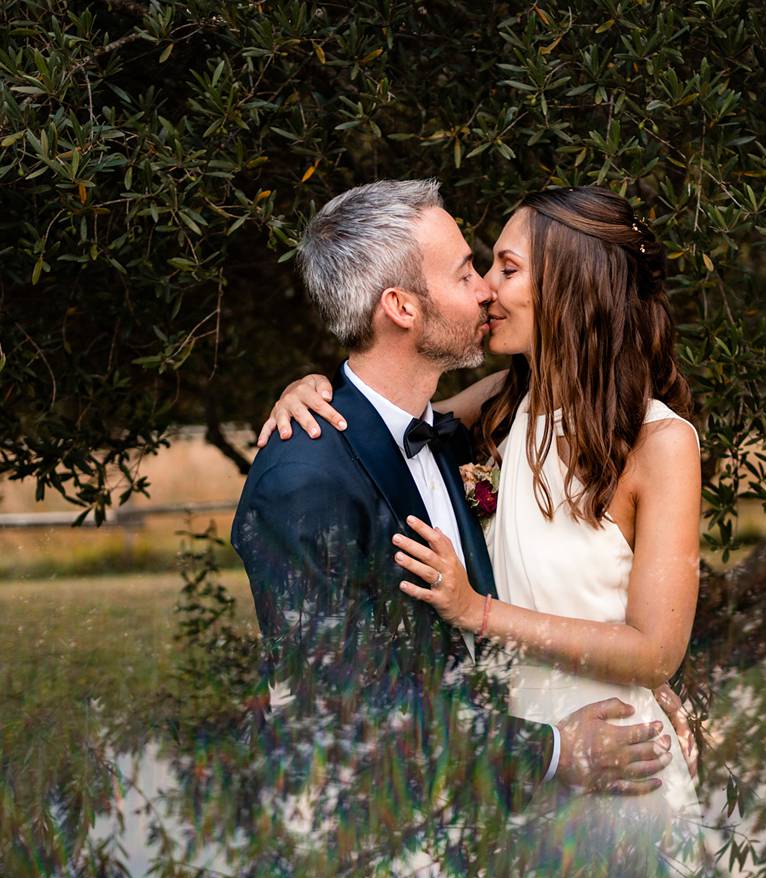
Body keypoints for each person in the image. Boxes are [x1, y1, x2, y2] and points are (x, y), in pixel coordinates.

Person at [257, 184, 704, 836]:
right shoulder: (499, 409)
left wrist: (479, 612)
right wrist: (310, 390)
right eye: (478, 269)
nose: (487, 288)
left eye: (505, 268)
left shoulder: (659, 443)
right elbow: (385, 430)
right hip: (501, 772)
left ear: (572, 287)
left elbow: (656, 650)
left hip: (611, 761)